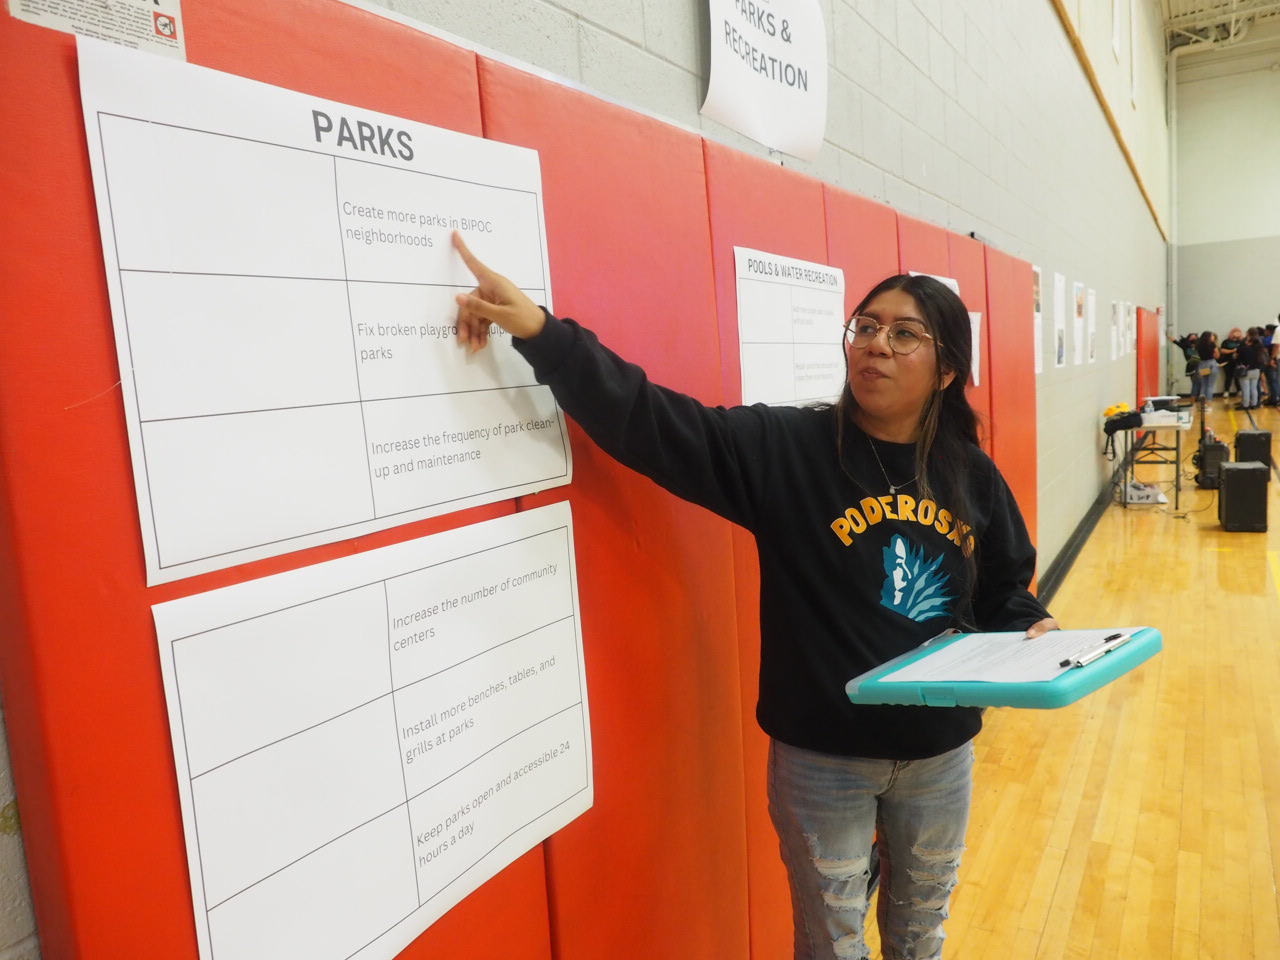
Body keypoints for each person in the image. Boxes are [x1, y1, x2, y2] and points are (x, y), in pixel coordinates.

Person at [449, 232, 1058, 960]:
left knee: (920, 932)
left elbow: (1003, 591)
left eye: (904, 335)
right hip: (824, 757)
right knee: (831, 943)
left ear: (947, 368)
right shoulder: (788, 449)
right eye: (864, 328)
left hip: (938, 755)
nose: (876, 346)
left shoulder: (970, 474)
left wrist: (1034, 628)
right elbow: (651, 421)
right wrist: (546, 336)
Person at [1237, 327, 1267, 410]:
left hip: (1246, 370)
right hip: (1256, 370)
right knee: (1254, 388)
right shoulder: (1260, 347)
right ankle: (1254, 403)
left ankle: (1245, 404)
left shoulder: (1245, 348)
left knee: (1245, 388)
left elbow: (1238, 357)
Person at [1191, 331, 1219, 402]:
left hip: (1202, 364)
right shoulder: (1212, 344)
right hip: (1211, 364)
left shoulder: (1198, 345)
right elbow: (1217, 355)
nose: (1213, 337)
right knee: (1210, 385)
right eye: (1212, 336)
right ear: (1209, 337)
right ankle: (1208, 402)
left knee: (1204, 384)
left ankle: (1202, 402)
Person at [1219, 326, 1243, 397]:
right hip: (1228, 362)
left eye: (1238, 332)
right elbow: (1222, 350)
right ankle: (1226, 391)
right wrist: (1233, 350)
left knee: (1237, 377)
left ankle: (1239, 390)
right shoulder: (1226, 341)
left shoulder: (1241, 342)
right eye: (1235, 332)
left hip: (1238, 362)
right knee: (1229, 377)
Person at [1263, 323, 1278, 406]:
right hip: (1277, 360)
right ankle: (1275, 398)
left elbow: (1265, 351)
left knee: (1271, 381)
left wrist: (1270, 360)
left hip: (1270, 361)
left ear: (1268, 331)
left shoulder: (1268, 339)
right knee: (1275, 380)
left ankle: (1274, 398)